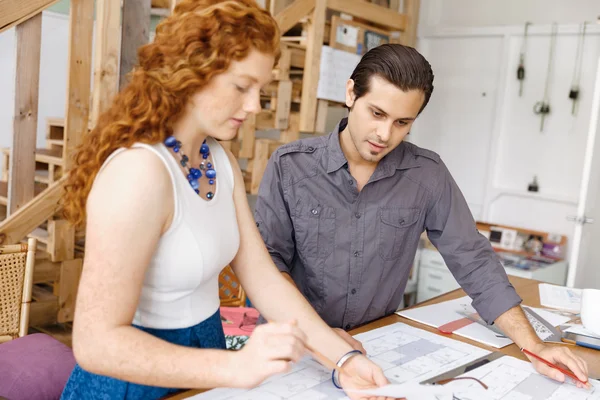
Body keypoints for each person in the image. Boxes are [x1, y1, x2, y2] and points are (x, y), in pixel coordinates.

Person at [59, 1, 391, 399]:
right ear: (192, 73)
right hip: (131, 384)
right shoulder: (139, 173)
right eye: (241, 86)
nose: (253, 106)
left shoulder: (218, 159)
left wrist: (342, 359)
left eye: (261, 89)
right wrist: (236, 365)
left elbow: (263, 278)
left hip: (205, 365)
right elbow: (96, 343)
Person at [254, 43, 590, 387]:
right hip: (294, 347)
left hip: (375, 346)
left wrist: (533, 345)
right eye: (377, 114)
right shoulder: (290, 166)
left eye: (403, 122)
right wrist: (319, 337)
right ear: (351, 93)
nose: (385, 135)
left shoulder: (426, 174)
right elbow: (266, 266)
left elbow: (472, 259)